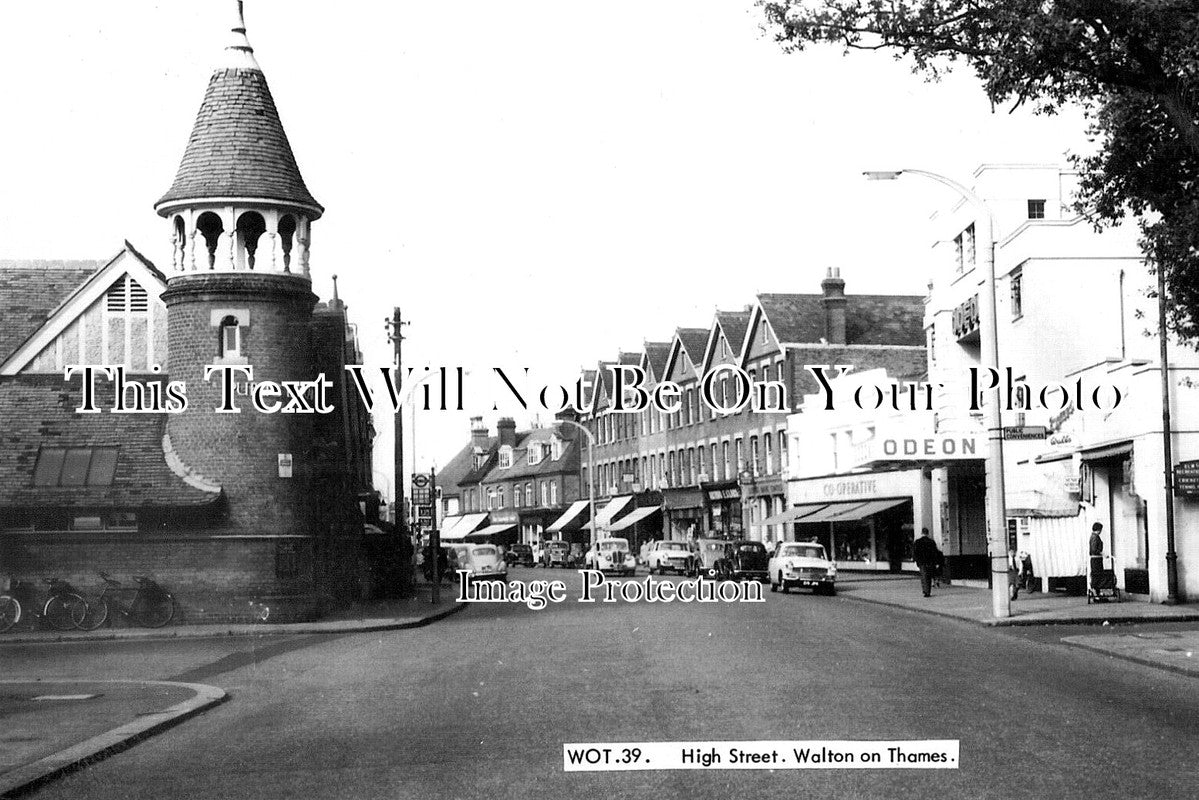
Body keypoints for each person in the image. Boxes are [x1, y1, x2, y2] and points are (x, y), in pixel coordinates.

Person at [912, 528, 941, 598]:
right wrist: (936, 562)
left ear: (922, 533)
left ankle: (925, 590)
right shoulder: (931, 542)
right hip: (930, 562)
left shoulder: (917, 542)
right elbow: (935, 553)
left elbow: (915, 552)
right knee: (929, 576)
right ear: (928, 533)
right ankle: (928, 591)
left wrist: (916, 561)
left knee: (923, 576)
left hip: (922, 562)